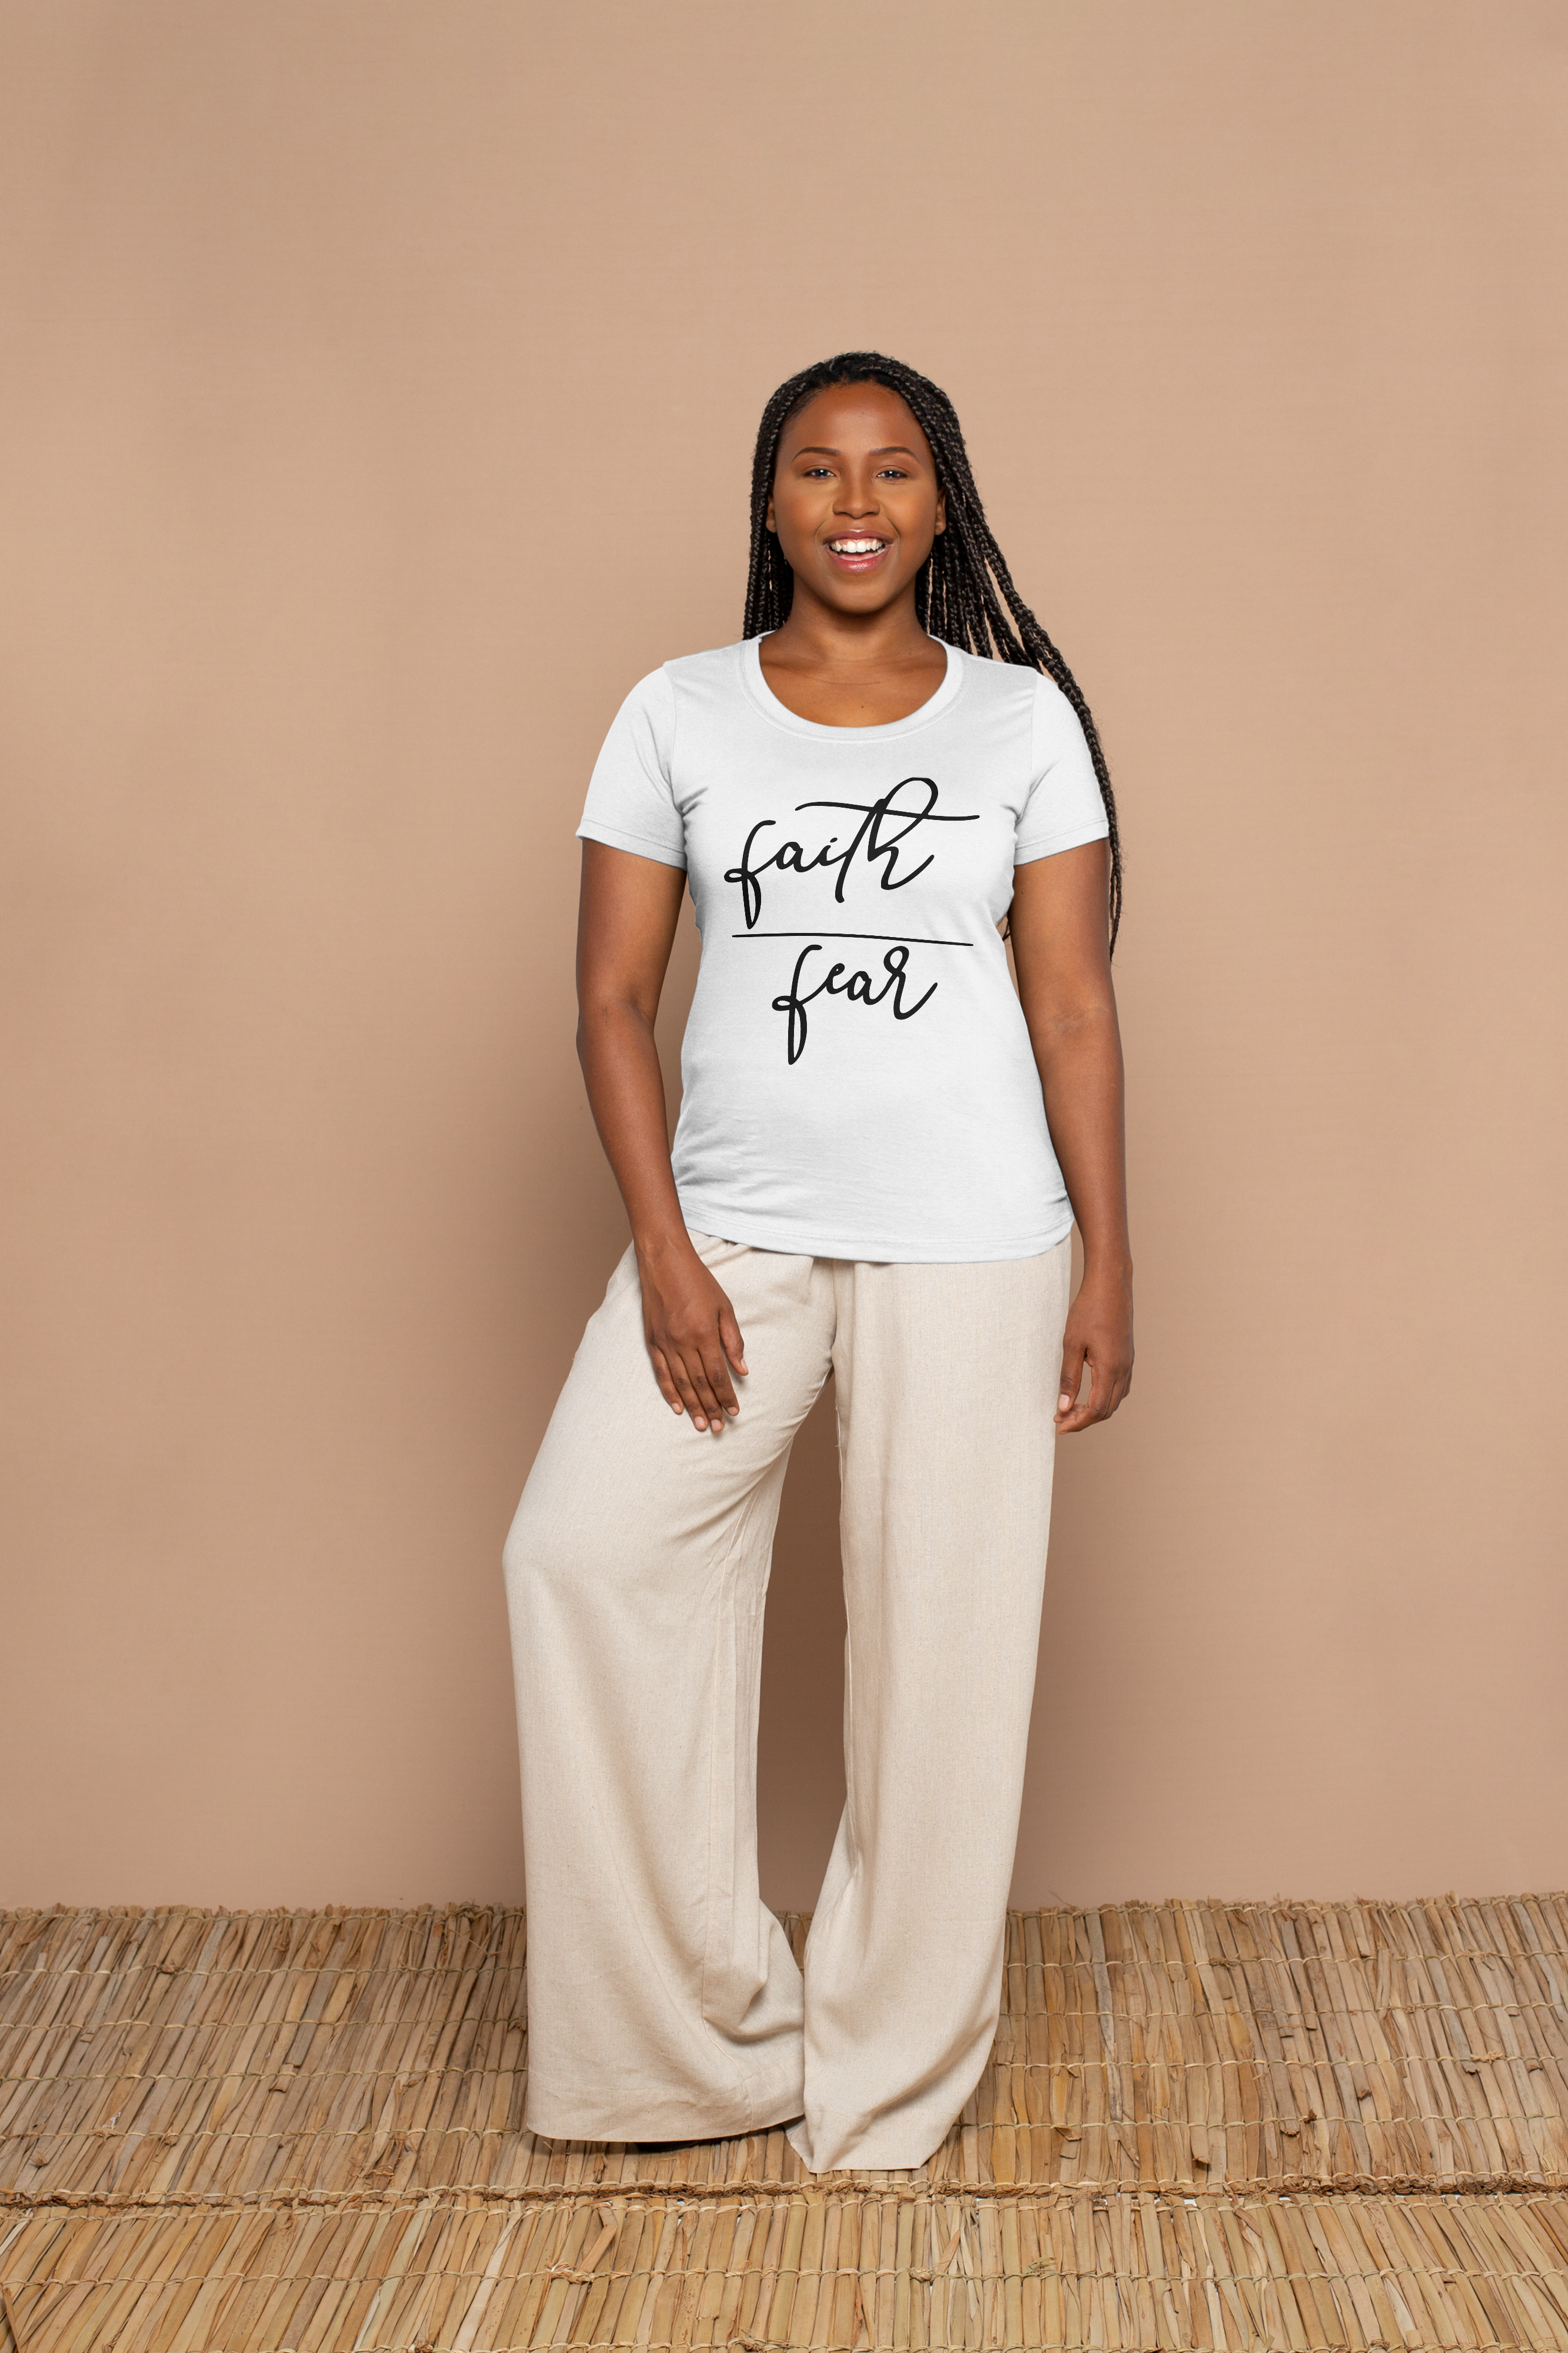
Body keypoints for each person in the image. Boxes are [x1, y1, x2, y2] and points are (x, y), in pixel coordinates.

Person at [502, 351, 1133, 2174]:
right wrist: (669, 1258)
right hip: (736, 1241)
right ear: (770, 501)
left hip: (976, 1244)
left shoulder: (1020, 724)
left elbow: (1074, 1003)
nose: (856, 503)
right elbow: (611, 1002)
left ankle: (889, 2084)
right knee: (581, 1556)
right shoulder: (679, 712)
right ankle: (688, 2053)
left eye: (894, 471)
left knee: (943, 1663)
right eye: (817, 470)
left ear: (943, 504)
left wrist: (1109, 1262)